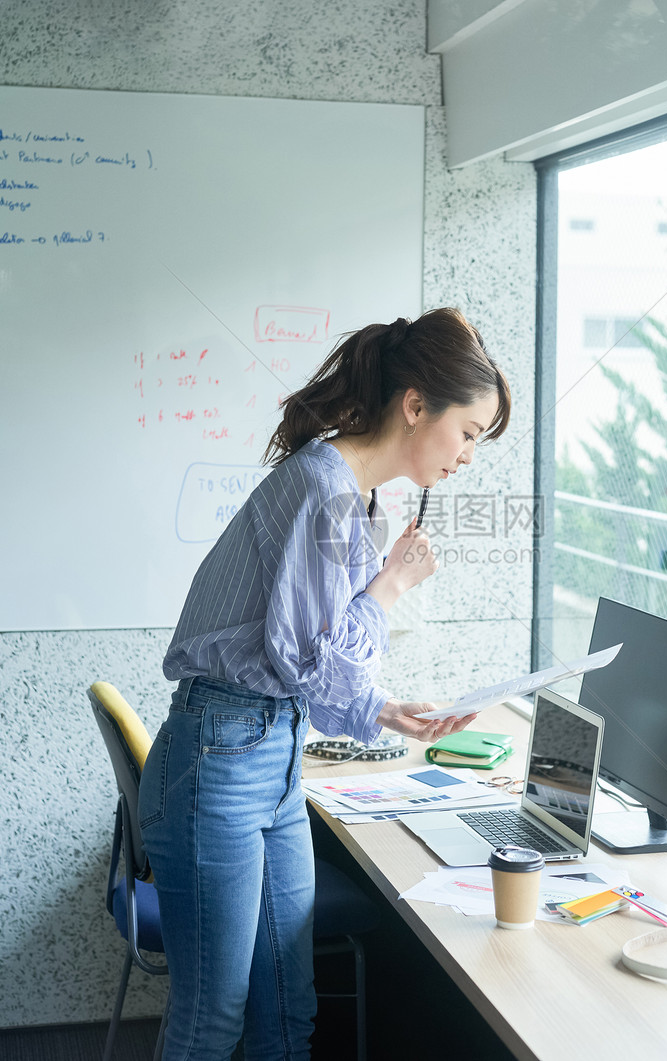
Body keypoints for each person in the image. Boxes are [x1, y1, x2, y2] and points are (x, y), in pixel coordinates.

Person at [138, 307, 512, 1060]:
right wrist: (390, 589)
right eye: (469, 431)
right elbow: (316, 663)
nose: (470, 455)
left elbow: (325, 668)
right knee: (214, 1019)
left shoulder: (358, 500)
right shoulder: (324, 488)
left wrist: (383, 708)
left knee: (289, 1009)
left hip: (270, 753)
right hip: (222, 756)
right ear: (415, 406)